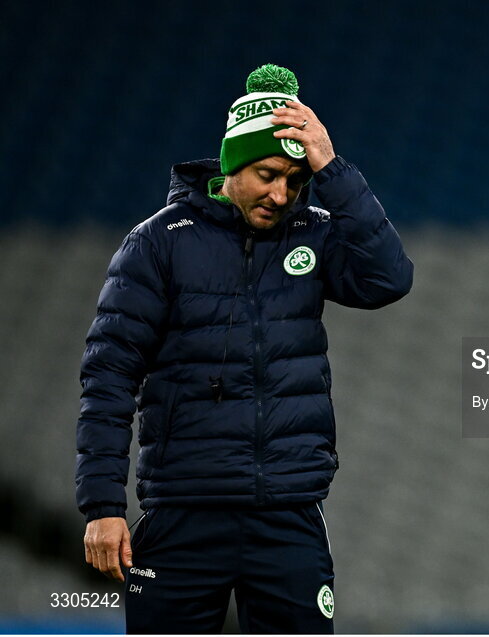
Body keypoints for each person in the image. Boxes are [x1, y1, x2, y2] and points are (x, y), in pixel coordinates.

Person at [75, 64, 413, 633]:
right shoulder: (158, 242)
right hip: (183, 512)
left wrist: (333, 168)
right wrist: (103, 507)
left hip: (288, 512)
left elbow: (389, 279)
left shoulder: (314, 230)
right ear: (232, 164)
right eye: (266, 174)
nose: (281, 194)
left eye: (296, 181)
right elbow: (109, 376)